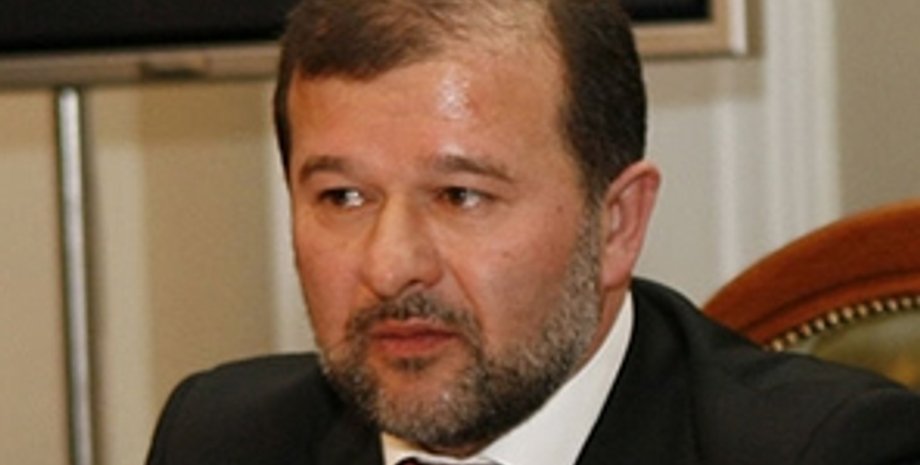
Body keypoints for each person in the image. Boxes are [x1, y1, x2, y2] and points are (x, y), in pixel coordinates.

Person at [146, 0, 920, 464]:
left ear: (616, 224)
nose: (391, 264)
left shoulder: (825, 451)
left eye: (460, 195)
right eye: (343, 196)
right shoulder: (224, 439)